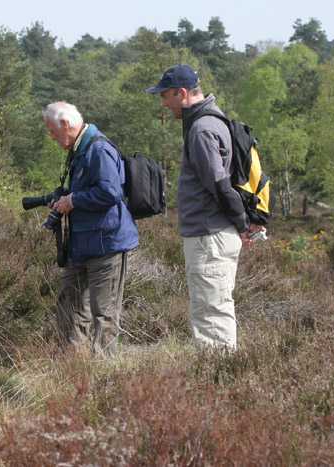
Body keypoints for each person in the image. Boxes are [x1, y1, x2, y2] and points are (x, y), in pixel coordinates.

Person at [145, 65, 261, 350]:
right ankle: (221, 382)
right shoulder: (212, 121)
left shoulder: (202, 129)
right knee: (212, 308)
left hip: (210, 237)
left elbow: (220, 185)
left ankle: (220, 385)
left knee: (210, 314)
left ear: (181, 93)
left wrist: (243, 224)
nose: (162, 103)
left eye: (164, 96)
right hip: (213, 233)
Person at [43, 101, 139, 356]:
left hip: (106, 245)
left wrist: (72, 201)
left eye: (53, 131)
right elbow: (90, 188)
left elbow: (109, 192)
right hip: (82, 245)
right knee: (69, 305)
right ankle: (73, 365)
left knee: (103, 312)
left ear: (65, 124)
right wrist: (64, 198)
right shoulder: (79, 149)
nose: (52, 137)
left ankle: (103, 375)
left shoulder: (98, 148)